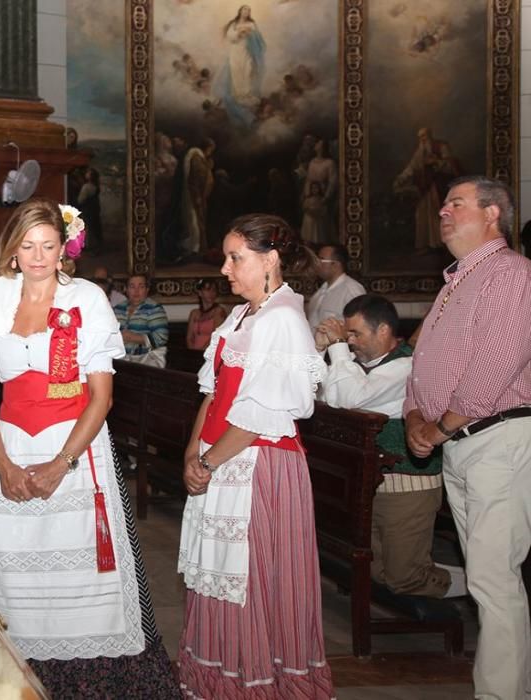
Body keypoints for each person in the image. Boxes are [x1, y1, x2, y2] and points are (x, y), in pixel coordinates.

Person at [0, 198, 178, 698]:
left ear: (64, 249)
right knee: (15, 565)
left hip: (76, 450)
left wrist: (62, 464)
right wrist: (1, 461)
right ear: (12, 251)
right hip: (11, 443)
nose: (38, 256)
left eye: (48, 245)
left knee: (81, 567)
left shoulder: (87, 299)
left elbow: (101, 397)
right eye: (27, 246)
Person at [177, 213, 332, 698]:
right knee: (219, 575)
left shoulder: (283, 318)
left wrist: (206, 462)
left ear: (270, 259)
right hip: (221, 460)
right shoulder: (243, 314)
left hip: (259, 466)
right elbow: (214, 390)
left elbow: (262, 414)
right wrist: (191, 452)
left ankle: (258, 682)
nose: (226, 268)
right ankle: (218, 677)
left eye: (235, 258)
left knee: (252, 580)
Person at [404, 176, 531, 699]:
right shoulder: (456, 281)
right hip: (461, 443)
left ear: (493, 214)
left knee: (493, 580)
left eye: (456, 203)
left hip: (497, 440)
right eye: (444, 203)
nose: (443, 212)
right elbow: (423, 364)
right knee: (485, 577)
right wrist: (414, 415)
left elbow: (494, 368)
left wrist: (438, 426)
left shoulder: (510, 274)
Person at [318, 294, 464, 598]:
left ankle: (475, 583)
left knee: (404, 578)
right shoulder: (356, 367)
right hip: (372, 483)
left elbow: (349, 398)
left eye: (355, 333)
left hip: (407, 484)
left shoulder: (406, 365)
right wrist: (319, 351)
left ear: (383, 330)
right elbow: (327, 399)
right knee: (377, 571)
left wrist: (336, 350)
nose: (350, 341)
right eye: (347, 334)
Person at [393, 127, 462, 250]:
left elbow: (450, 164)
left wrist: (436, 162)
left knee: (438, 213)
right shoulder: (419, 153)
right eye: (420, 138)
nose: (423, 140)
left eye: (424, 136)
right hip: (424, 188)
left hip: (439, 187)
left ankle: (440, 244)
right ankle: (426, 244)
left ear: (430, 136)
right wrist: (400, 179)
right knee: (422, 214)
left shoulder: (441, 146)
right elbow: (411, 168)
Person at [219, 5, 266, 126]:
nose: (246, 12)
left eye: (248, 10)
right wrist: (239, 33)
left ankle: (247, 94)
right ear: (240, 11)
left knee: (248, 71)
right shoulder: (233, 23)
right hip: (235, 51)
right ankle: (239, 95)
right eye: (244, 10)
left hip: (248, 50)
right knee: (236, 71)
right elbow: (230, 36)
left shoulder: (252, 23)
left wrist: (249, 33)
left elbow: (257, 37)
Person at [305, 243, 366, 330]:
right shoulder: (320, 292)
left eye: (321, 260)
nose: (316, 264)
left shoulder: (351, 290)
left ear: (336, 265)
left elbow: (359, 327)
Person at [113, 274, 169, 367]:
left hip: (146, 363)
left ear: (147, 290)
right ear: (126, 289)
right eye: (132, 286)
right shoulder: (118, 309)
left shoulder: (154, 308)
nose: (136, 291)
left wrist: (134, 337)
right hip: (121, 362)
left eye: (141, 286)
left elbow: (161, 338)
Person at [186, 278, 227, 351]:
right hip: (193, 354)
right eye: (208, 290)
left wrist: (202, 352)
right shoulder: (194, 313)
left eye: (214, 290)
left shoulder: (219, 311)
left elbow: (216, 337)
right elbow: (189, 337)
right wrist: (192, 352)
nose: (211, 293)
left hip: (210, 353)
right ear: (200, 293)